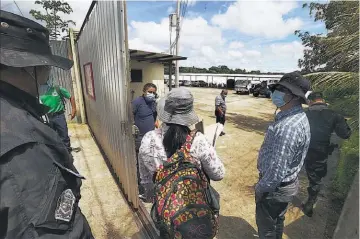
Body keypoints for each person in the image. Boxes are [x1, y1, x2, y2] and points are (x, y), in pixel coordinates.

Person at [0, 10, 94, 238]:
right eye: (46, 66)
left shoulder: (16, 111)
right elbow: (52, 229)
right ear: (29, 66)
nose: (46, 73)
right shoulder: (23, 143)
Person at [138, 88, 225, 238]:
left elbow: (146, 182)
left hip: (167, 216)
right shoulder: (198, 140)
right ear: (189, 113)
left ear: (163, 112)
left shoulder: (148, 139)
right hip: (198, 218)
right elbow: (218, 174)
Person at [255, 72, 311, 239]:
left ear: (294, 97)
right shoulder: (294, 117)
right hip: (285, 186)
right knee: (277, 221)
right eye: (276, 88)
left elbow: (277, 171)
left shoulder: (288, 127)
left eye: (281, 90)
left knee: (267, 230)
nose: (275, 93)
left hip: (275, 189)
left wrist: (260, 188)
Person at [302, 92, 351, 217]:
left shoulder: (304, 114)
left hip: (301, 151)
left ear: (310, 101)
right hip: (320, 153)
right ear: (323, 100)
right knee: (315, 178)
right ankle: (310, 202)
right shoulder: (334, 115)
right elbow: (345, 134)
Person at [132, 83, 158, 198]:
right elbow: (129, 115)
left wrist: (156, 122)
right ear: (144, 91)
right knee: (140, 163)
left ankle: (150, 186)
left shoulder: (153, 103)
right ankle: (141, 188)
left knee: (151, 161)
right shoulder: (137, 102)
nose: (152, 94)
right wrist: (132, 125)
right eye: (150, 92)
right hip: (140, 138)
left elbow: (155, 115)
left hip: (151, 137)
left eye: (153, 92)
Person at [40, 81, 77, 153]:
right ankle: (57, 154)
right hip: (47, 117)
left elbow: (70, 97)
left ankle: (67, 154)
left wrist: (74, 109)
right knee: (51, 137)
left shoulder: (56, 88)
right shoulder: (38, 91)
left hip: (59, 116)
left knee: (64, 136)